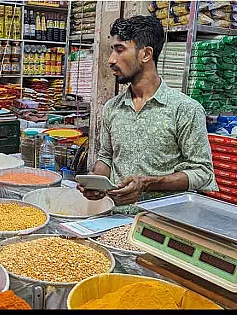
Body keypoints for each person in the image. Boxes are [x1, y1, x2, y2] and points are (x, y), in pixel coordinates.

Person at [77, 16, 217, 214]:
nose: (111, 60)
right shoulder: (112, 108)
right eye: (112, 50)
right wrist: (96, 182)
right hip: (113, 219)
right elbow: (106, 158)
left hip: (161, 223)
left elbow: (202, 173)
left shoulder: (185, 109)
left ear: (146, 54)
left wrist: (148, 184)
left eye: (120, 49)